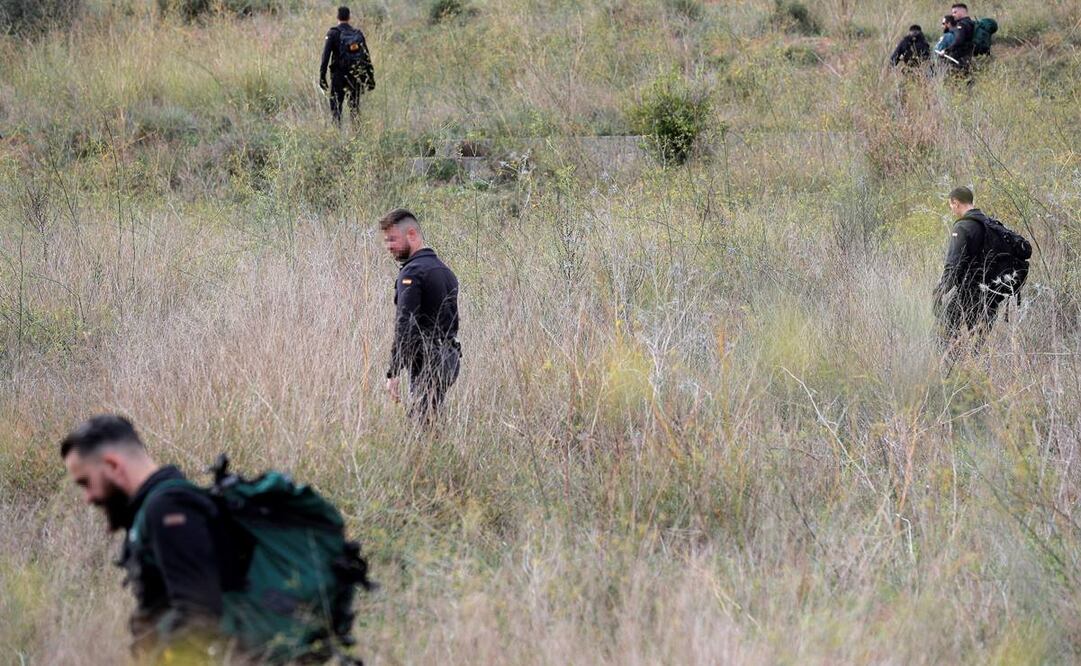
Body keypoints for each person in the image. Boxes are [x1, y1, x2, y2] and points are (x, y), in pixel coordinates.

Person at [60, 415, 244, 658]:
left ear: (113, 466)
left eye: (86, 482)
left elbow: (199, 616)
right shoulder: (155, 508)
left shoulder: (168, 510)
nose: (88, 497)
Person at [381, 208, 461, 423]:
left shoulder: (413, 272)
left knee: (420, 428)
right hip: (450, 358)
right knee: (430, 419)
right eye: (386, 241)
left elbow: (405, 323)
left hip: (430, 360)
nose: (388, 246)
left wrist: (394, 372)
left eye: (393, 240)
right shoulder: (445, 271)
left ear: (412, 235)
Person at [932, 186, 1004, 346]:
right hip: (992, 298)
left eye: (951, 205)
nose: (951, 209)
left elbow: (953, 265)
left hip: (968, 296)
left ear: (956, 202)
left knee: (943, 340)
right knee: (977, 348)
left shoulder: (962, 227)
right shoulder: (992, 225)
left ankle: (950, 370)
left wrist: (940, 291)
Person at [319, 6, 375, 124]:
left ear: (337, 17)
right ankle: (357, 136)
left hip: (338, 76)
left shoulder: (333, 33)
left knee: (336, 109)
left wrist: (322, 77)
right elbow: (366, 57)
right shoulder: (357, 34)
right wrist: (370, 78)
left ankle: (336, 137)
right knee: (354, 109)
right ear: (349, 17)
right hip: (355, 76)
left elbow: (325, 57)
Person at [945, 3, 977, 70]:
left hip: (961, 56)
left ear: (962, 12)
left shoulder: (961, 24)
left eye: (955, 12)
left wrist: (947, 50)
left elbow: (959, 40)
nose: (953, 15)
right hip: (969, 54)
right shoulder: (971, 23)